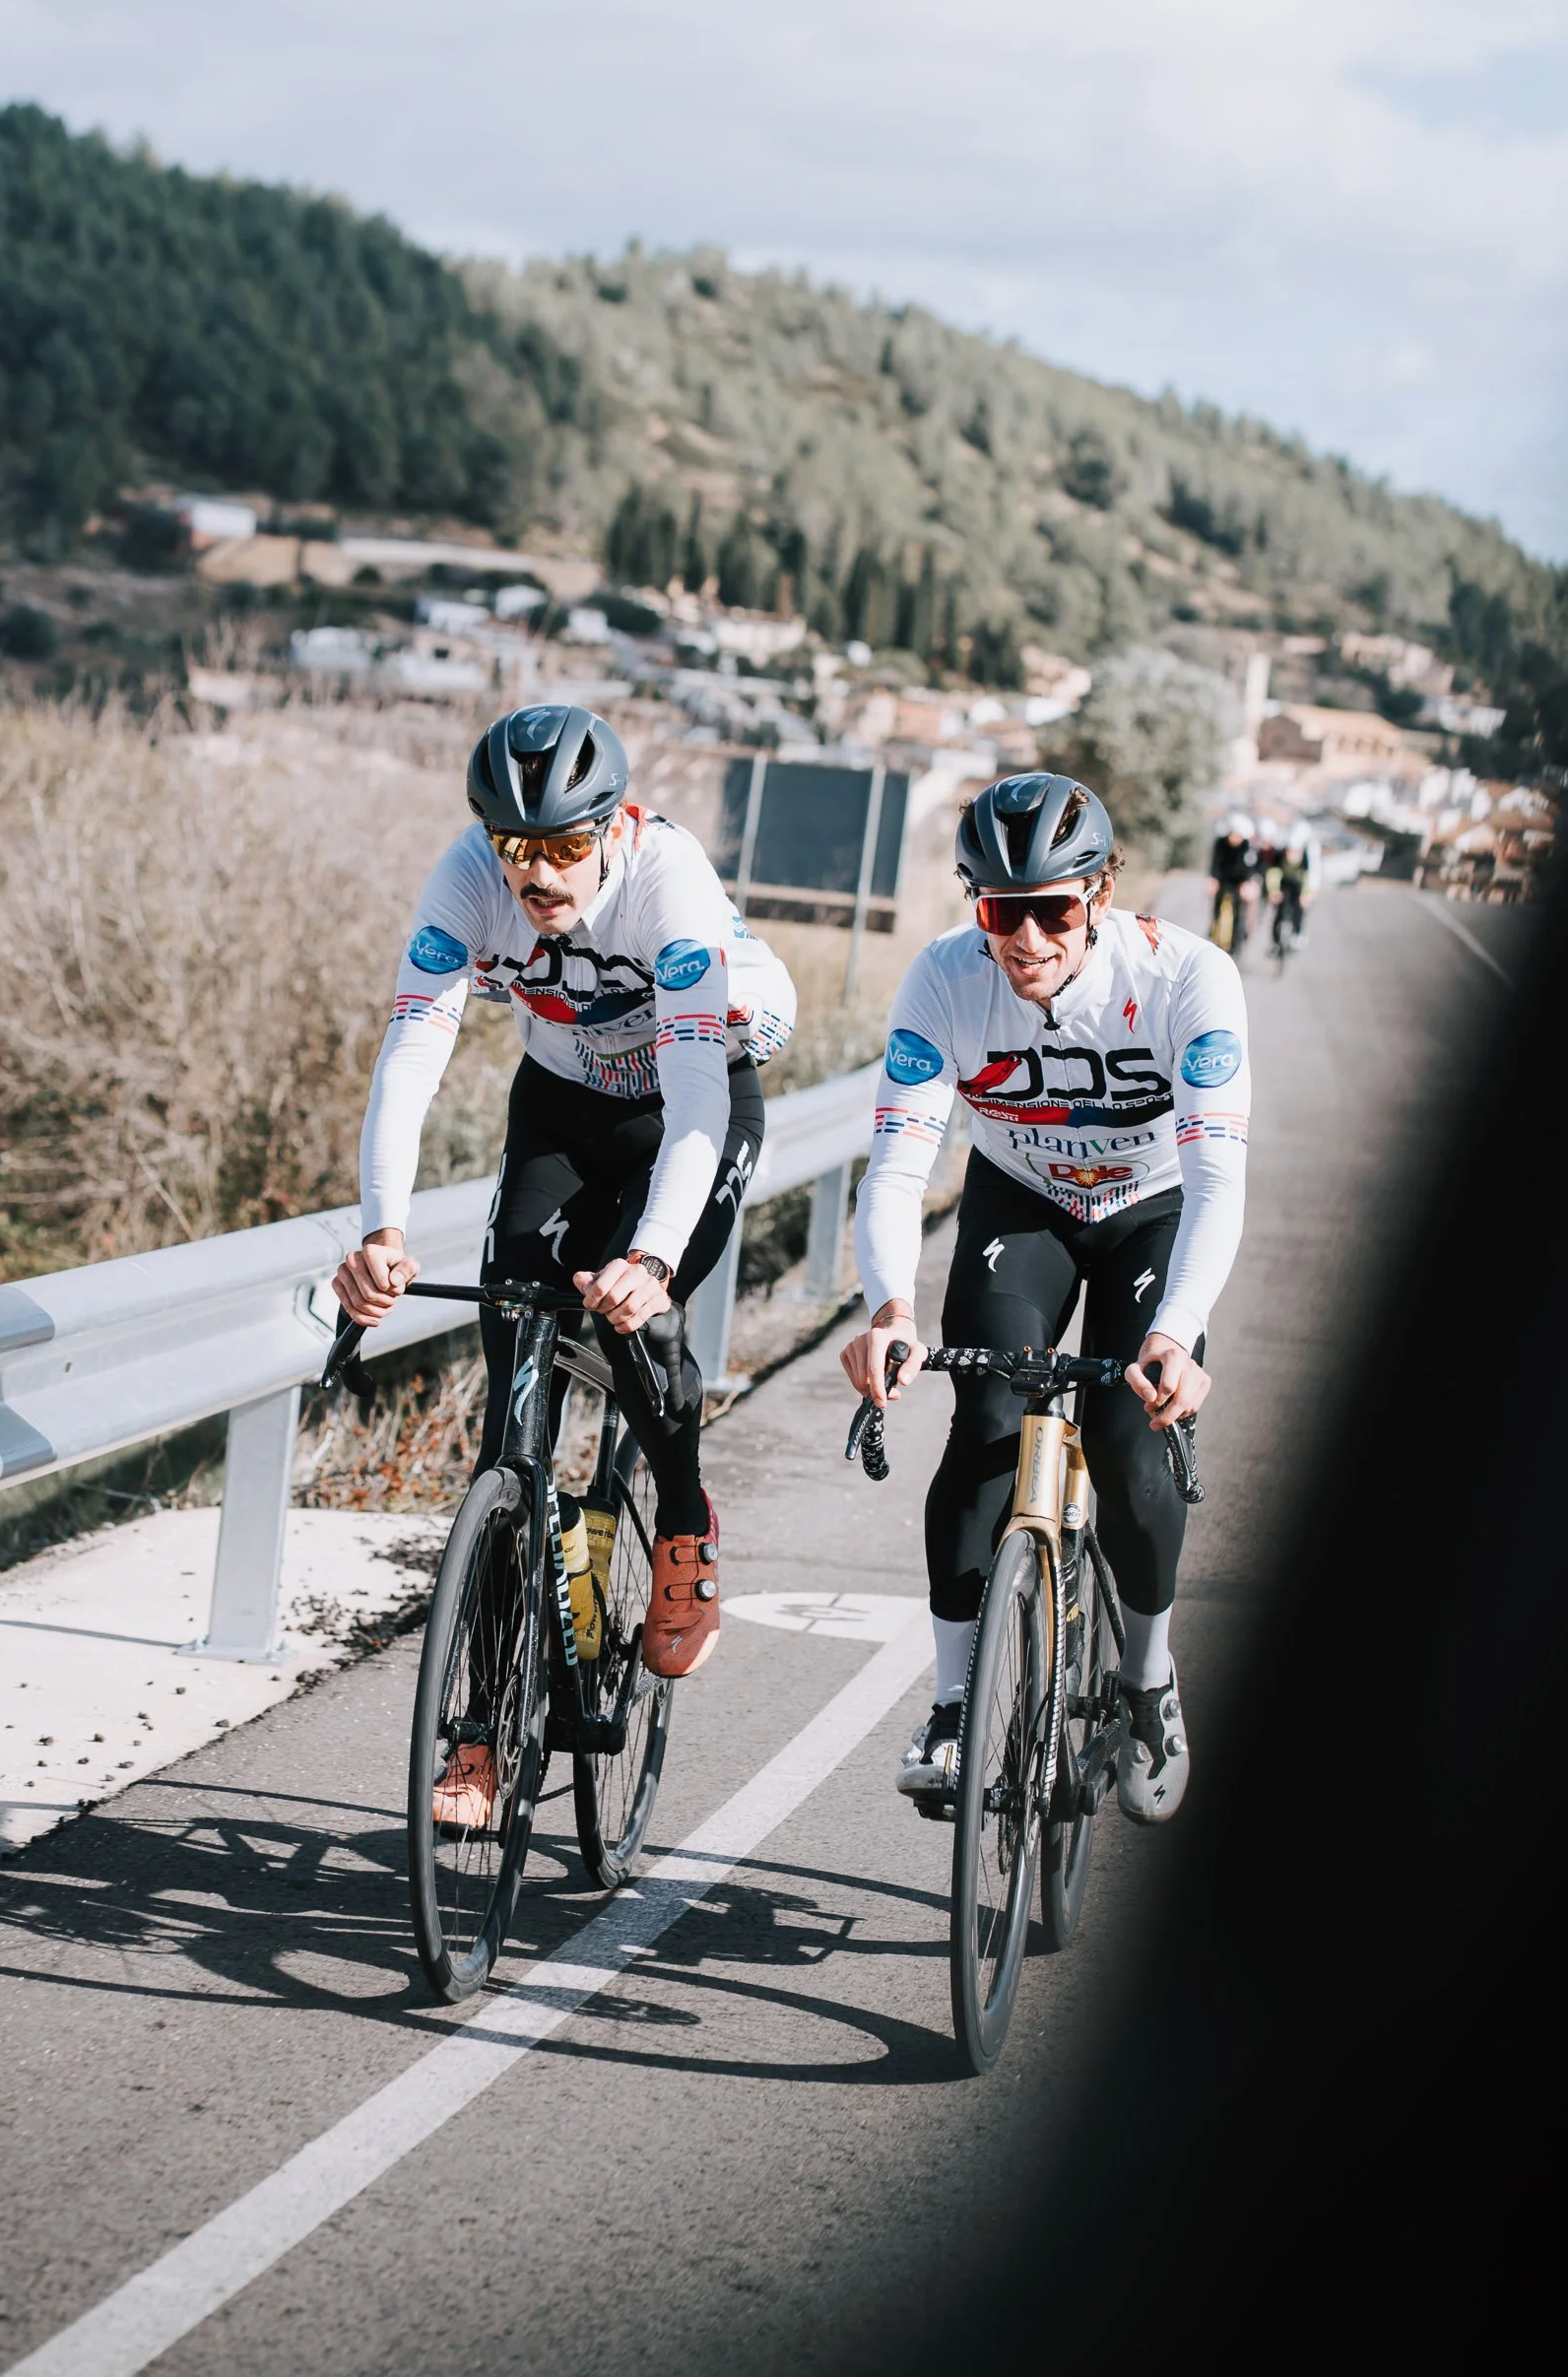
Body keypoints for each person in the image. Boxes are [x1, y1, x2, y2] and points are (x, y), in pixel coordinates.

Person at [331, 704, 797, 1817]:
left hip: (696, 1095)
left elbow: (693, 1096)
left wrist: (650, 1257)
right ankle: (483, 1736)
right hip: (561, 1103)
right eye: (513, 846)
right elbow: (412, 1050)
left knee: (640, 1323)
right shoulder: (468, 877)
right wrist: (382, 1230)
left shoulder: (666, 888)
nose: (536, 872)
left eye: (564, 846)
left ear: (613, 826)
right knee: (513, 1415)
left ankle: (681, 1523)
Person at [840, 772, 1250, 1823]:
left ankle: (1148, 1679)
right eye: (996, 909)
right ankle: (951, 1702)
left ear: (1099, 893)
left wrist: (1172, 1337)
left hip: (1149, 1211)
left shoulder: (1184, 980)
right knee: (984, 1417)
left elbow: (1214, 1181)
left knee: (1123, 1434)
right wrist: (888, 1306)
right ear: (971, 903)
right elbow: (894, 1167)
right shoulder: (942, 980)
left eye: (1051, 909)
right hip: (1018, 1202)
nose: (1023, 937)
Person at [1207, 813, 1262, 956]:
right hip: (1224, 880)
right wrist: (1213, 879)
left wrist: (1249, 884)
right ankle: (1215, 934)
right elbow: (1215, 863)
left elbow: (1252, 868)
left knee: (1238, 912)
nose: (1234, 839)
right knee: (1219, 909)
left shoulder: (1248, 846)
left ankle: (1236, 943)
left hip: (1241, 882)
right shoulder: (1221, 843)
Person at [1271, 818, 1320, 950]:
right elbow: (1274, 872)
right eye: (1290, 851)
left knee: (1299, 909)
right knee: (1279, 911)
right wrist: (1274, 890)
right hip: (1284, 883)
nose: (1291, 854)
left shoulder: (1309, 854)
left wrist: (1307, 894)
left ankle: (1298, 933)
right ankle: (1275, 941)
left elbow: (1310, 876)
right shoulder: (1280, 853)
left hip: (1299, 885)